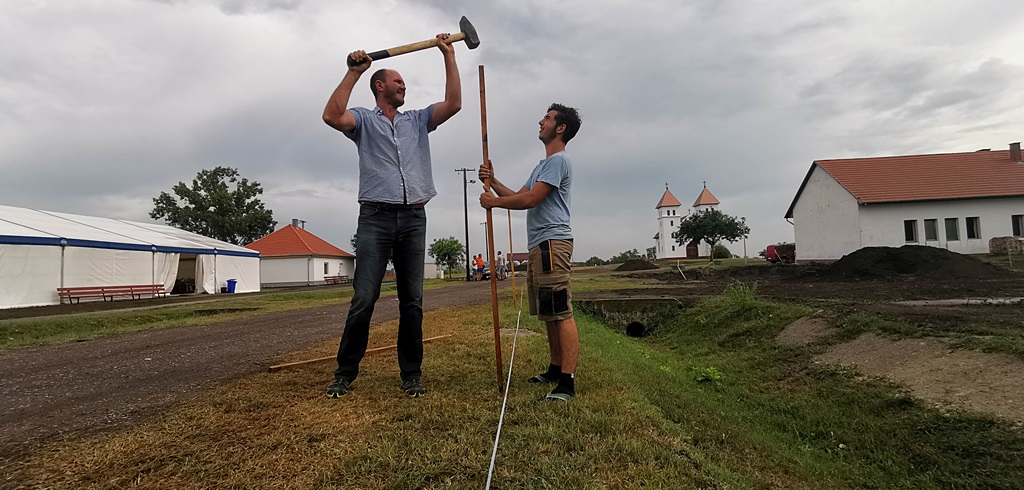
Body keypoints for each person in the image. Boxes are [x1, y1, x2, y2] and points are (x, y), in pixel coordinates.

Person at [321, 33, 462, 398]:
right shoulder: (364, 121)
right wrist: (354, 72)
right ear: (380, 86)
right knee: (364, 297)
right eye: (398, 81)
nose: (404, 85)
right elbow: (331, 115)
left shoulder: (417, 120)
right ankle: (344, 373)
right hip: (376, 219)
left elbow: (454, 103)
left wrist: (448, 54)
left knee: (412, 300)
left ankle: (411, 374)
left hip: (414, 217)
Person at [479, 103, 582, 401]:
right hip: (539, 244)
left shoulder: (559, 161)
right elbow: (519, 196)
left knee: (561, 311)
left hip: (553, 244)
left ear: (560, 128)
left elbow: (532, 200)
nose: (541, 121)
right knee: (549, 311)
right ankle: (554, 368)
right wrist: (494, 182)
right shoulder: (542, 165)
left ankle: (567, 381)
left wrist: (493, 203)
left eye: (547, 118)